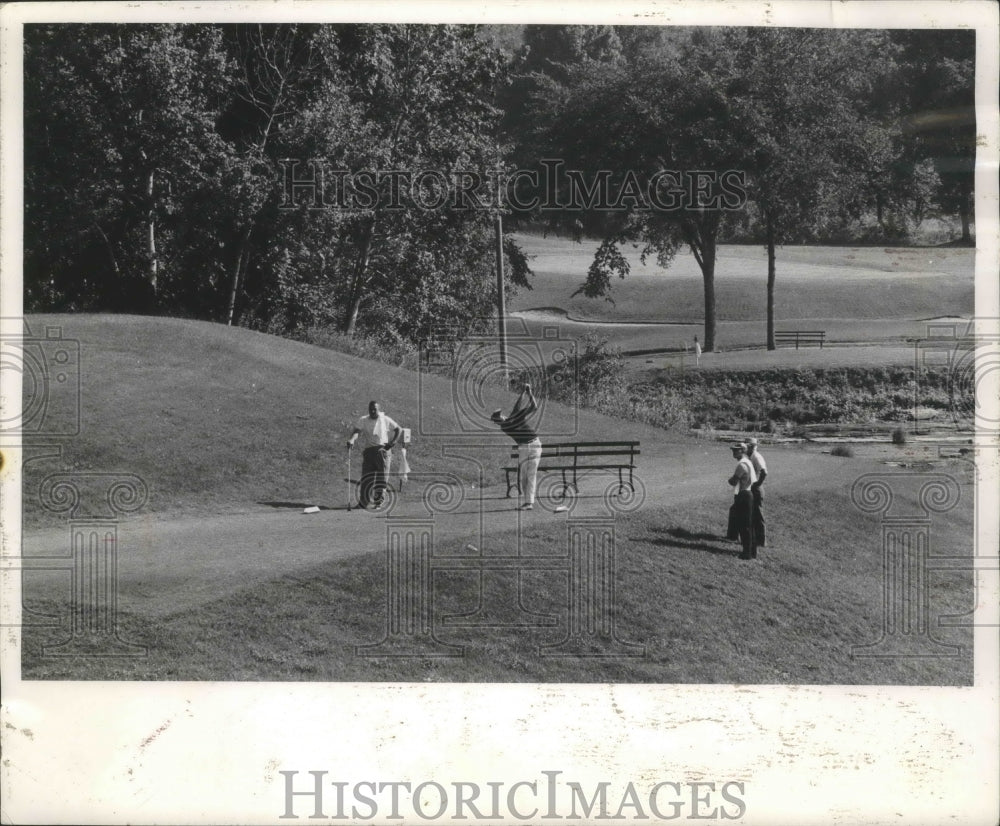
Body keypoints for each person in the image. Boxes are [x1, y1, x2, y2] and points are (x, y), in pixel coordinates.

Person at [492, 383, 541, 510]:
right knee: (528, 475)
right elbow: (525, 406)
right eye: (501, 416)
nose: (503, 415)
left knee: (527, 475)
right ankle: (528, 503)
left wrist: (525, 393)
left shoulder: (506, 424)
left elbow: (527, 407)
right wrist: (526, 392)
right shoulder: (508, 424)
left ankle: (528, 503)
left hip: (530, 446)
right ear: (500, 420)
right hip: (530, 445)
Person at [347, 400, 401, 509]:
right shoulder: (363, 420)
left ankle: (378, 502)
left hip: (383, 450)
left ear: (378, 409)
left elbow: (398, 429)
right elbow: (357, 431)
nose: (372, 411)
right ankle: (363, 503)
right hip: (369, 451)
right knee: (367, 478)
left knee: (382, 478)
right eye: (370, 409)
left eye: (374, 409)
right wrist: (352, 439)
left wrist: (393, 443)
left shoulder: (385, 419)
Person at [727, 442, 757, 560]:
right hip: (749, 493)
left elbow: (733, 481)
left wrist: (729, 480)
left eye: (737, 450)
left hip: (743, 494)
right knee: (749, 525)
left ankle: (747, 553)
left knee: (744, 526)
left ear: (743, 451)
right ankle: (752, 551)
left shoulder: (741, 465)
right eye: (733, 450)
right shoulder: (748, 462)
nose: (734, 452)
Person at [746, 436, 767, 552]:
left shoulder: (757, 457)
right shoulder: (749, 456)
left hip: (756, 489)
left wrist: (758, 483)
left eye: (747, 445)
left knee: (758, 514)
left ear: (752, 446)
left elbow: (764, 472)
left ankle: (761, 540)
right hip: (750, 488)